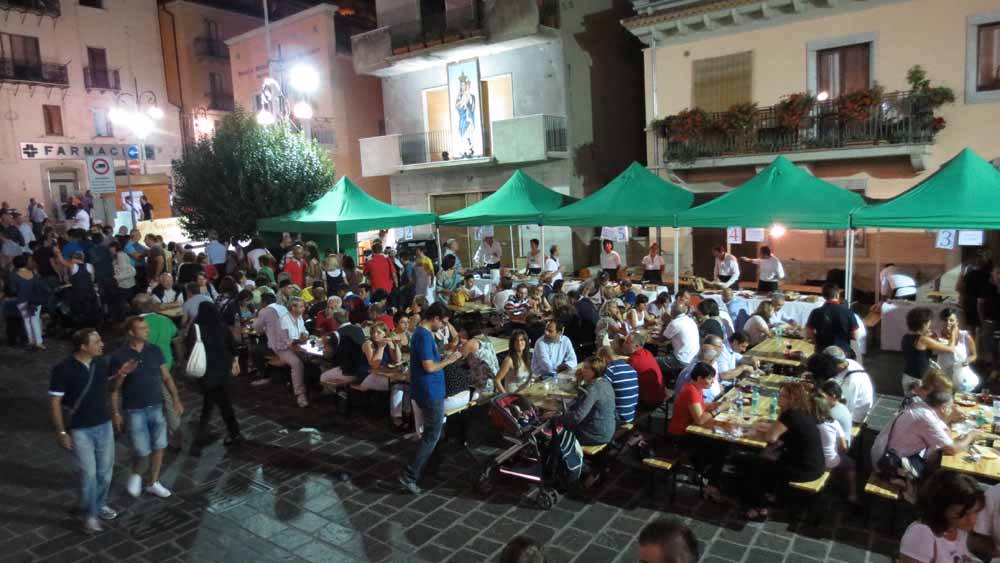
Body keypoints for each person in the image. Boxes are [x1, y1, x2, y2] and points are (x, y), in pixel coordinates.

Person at [49, 329, 137, 533]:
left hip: (103, 425)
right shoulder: (63, 369)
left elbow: (111, 387)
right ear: (83, 346)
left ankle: (99, 504)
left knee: (105, 473)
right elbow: (55, 402)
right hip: (80, 429)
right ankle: (90, 514)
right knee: (88, 474)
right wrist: (61, 432)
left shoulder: (100, 363)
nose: (102, 344)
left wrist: (122, 374)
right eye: (96, 342)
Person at [110, 316, 184, 500]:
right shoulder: (119, 355)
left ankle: (153, 482)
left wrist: (176, 399)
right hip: (134, 409)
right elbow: (114, 389)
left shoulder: (154, 350)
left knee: (160, 445)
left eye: (146, 328)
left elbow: (166, 377)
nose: (147, 331)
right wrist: (116, 412)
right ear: (131, 332)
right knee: (142, 450)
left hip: (156, 405)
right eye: (142, 328)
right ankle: (136, 474)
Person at [399, 302, 464, 495]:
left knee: (435, 433)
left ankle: (430, 468)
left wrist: (442, 356)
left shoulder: (422, 334)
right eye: (443, 322)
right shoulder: (424, 336)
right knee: (431, 436)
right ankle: (410, 475)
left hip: (430, 390)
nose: (443, 326)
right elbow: (429, 367)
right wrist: (449, 360)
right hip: (430, 391)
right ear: (435, 318)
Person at [738, 381, 824, 521]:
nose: (778, 398)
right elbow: (782, 430)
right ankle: (770, 495)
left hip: (804, 470)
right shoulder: (802, 411)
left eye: (782, 396)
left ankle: (758, 507)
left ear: (792, 399)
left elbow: (771, 438)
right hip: (816, 464)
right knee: (766, 458)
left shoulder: (790, 415)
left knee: (754, 465)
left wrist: (757, 432)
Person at [870, 391, 981, 473]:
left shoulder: (921, 406)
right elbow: (952, 449)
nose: (952, 410)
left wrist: (950, 418)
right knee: (938, 471)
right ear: (943, 409)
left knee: (935, 457)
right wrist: (971, 435)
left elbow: (940, 431)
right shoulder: (927, 418)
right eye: (951, 407)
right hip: (888, 463)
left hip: (885, 452)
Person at [669, 361, 728, 501]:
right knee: (720, 449)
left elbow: (699, 406)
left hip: (688, 432)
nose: (712, 382)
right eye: (710, 378)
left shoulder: (695, 388)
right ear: (700, 378)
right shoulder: (691, 391)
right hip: (681, 436)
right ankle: (710, 484)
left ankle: (705, 474)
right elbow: (700, 420)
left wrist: (715, 405)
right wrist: (719, 409)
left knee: (720, 445)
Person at [187, 302, 242, 445]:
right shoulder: (223, 327)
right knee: (219, 401)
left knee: (215, 401)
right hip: (223, 370)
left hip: (206, 371)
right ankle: (227, 431)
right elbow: (233, 347)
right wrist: (235, 362)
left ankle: (231, 432)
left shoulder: (196, 329)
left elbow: (189, 348)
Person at [899, 471, 983, 563]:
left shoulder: (958, 531)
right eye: (963, 514)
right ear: (941, 507)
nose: (972, 520)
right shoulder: (922, 534)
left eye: (976, 512)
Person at [254, 296, 310, 407]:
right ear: (293, 308)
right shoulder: (283, 321)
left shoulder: (299, 317)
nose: (304, 308)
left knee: (311, 359)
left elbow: (304, 330)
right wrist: (300, 342)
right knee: (296, 363)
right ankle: (300, 394)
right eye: (301, 306)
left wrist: (306, 335)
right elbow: (286, 341)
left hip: (295, 345)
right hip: (282, 349)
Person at [557, 356, 616, 446]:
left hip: (596, 435)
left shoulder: (593, 388)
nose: (582, 370)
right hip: (607, 429)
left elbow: (577, 417)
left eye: (586, 368)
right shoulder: (604, 382)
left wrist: (557, 417)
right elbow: (583, 394)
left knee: (559, 432)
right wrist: (579, 381)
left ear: (594, 371)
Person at [813, 394, 857, 505]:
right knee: (850, 464)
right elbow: (844, 446)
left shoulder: (810, 424)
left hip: (815, 461)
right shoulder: (834, 423)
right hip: (831, 461)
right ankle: (852, 494)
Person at [902, 307, 957, 394]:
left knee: (910, 400)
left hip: (908, 376)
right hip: (918, 380)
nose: (930, 324)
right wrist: (954, 333)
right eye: (929, 322)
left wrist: (929, 336)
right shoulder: (923, 340)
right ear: (923, 323)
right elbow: (950, 349)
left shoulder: (906, 337)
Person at [822, 346, 874, 423]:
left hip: (855, 416)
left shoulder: (852, 381)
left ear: (838, 365)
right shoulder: (848, 361)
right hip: (850, 400)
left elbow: (846, 407)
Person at [806, 283, 859, 357]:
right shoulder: (848, 312)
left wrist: (817, 342)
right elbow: (855, 335)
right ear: (837, 295)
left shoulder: (816, 312)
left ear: (823, 296)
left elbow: (809, 333)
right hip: (843, 351)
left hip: (822, 351)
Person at [8, 254, 47, 350]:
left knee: (26, 321)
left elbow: (13, 290)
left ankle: (31, 340)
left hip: (22, 301)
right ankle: (38, 342)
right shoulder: (33, 274)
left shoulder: (13, 275)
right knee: (35, 320)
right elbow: (38, 288)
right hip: (35, 300)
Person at [936, 307, 979, 392]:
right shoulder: (937, 336)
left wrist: (967, 361)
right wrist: (952, 333)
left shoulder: (965, 336)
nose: (948, 323)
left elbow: (974, 355)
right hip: (943, 375)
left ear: (957, 322)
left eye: (951, 320)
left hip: (961, 374)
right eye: (945, 320)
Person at [598, 345, 639, 424]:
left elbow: (598, 392)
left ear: (604, 359)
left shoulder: (611, 371)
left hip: (618, 418)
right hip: (630, 414)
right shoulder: (631, 368)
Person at [624, 332, 666, 408]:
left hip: (648, 402)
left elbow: (624, 381)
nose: (624, 344)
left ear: (636, 346)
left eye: (627, 343)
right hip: (660, 395)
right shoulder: (647, 352)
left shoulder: (633, 361)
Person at [462, 316, 500, 393]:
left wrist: (456, 342)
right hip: (495, 376)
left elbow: (457, 358)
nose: (460, 333)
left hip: (484, 381)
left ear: (467, 331)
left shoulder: (471, 343)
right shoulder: (485, 338)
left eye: (462, 330)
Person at [662, 302, 699, 375]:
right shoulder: (690, 320)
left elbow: (662, 339)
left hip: (681, 360)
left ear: (672, 311)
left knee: (654, 361)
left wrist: (665, 323)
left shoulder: (675, 323)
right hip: (693, 358)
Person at [818, 379, 853, 446]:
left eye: (822, 396)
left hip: (838, 446)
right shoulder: (840, 406)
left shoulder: (834, 413)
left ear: (833, 396)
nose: (820, 399)